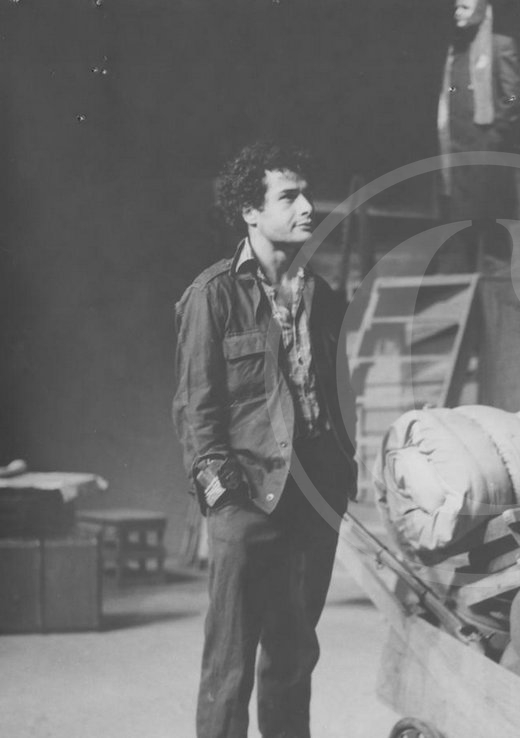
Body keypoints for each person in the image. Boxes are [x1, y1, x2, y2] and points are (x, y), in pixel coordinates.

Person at [172, 141, 357, 738]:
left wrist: (341, 472)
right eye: (289, 197)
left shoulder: (324, 296)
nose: (307, 207)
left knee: (293, 656)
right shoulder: (212, 295)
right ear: (251, 212)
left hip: (315, 496)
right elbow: (196, 410)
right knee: (229, 666)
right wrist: (225, 501)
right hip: (247, 500)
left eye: (307, 194)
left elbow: (333, 394)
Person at [435, 0, 520, 272]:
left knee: (488, 220)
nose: (457, 13)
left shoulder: (501, 45)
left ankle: (493, 278)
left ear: (480, 9)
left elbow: (513, 95)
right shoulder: (456, 49)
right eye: (456, 7)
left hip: (486, 149)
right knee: (461, 221)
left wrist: (496, 132)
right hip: (457, 149)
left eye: (464, 7)